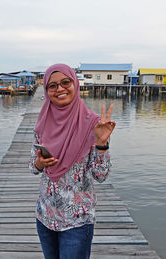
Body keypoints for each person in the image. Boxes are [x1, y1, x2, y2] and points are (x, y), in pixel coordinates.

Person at [28, 63, 116, 259]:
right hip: (45, 216)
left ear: (75, 84)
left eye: (65, 82)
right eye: (52, 85)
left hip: (77, 220)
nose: (60, 89)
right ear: (47, 90)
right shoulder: (42, 123)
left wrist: (102, 143)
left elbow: (100, 175)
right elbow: (32, 167)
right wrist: (39, 164)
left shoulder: (94, 124)